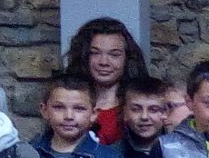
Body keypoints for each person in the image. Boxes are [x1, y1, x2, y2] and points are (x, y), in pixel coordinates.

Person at [63, 16, 147, 145]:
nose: (104, 62)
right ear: (84, 56)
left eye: (114, 54)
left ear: (127, 58)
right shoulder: (64, 104)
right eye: (95, 53)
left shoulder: (143, 107)